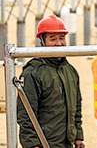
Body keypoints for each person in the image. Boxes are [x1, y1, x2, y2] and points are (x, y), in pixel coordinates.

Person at [17, 15, 84, 148]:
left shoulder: (70, 71)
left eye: (62, 38)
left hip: (67, 144)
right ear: (42, 42)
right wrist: (32, 145)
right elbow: (25, 114)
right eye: (52, 39)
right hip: (44, 144)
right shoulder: (33, 73)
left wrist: (78, 137)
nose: (59, 43)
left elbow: (76, 108)